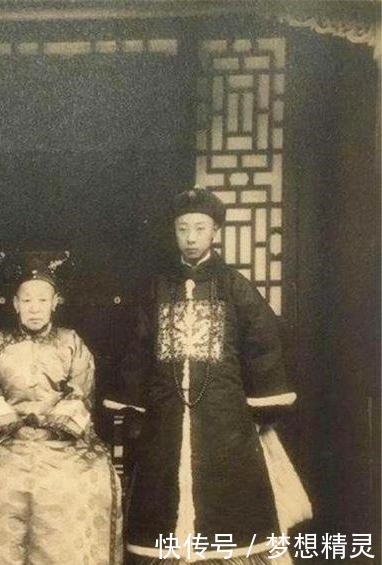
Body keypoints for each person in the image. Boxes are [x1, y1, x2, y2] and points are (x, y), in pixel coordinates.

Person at [105, 188, 311, 565]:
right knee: (163, 499)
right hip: (166, 414)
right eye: (183, 229)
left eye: (200, 228)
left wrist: (259, 408)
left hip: (225, 416)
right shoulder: (157, 286)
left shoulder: (234, 285)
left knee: (228, 508)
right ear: (174, 232)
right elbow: (138, 346)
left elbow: (263, 344)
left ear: (215, 231)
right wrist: (134, 406)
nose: (191, 238)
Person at [0, 252, 123, 565]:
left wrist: (52, 424)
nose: (34, 308)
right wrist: (12, 425)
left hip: (63, 443)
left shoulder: (71, 341)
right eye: (27, 300)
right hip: (7, 443)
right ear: (15, 303)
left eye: (42, 300)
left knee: (80, 483)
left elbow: (81, 390)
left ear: (55, 302)